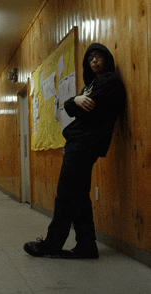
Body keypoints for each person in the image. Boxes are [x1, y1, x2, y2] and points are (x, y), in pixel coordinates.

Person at [24, 43, 126, 259]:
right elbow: (72, 108)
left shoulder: (109, 81)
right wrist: (75, 101)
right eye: (90, 59)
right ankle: (87, 245)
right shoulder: (92, 84)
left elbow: (79, 108)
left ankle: (52, 244)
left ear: (106, 58)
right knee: (78, 195)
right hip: (80, 143)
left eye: (98, 56)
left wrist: (74, 102)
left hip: (85, 144)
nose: (94, 61)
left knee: (65, 194)